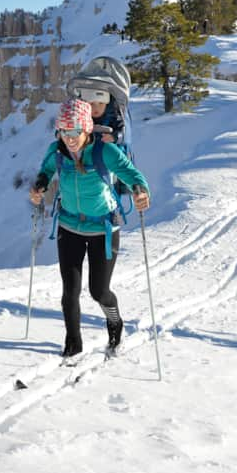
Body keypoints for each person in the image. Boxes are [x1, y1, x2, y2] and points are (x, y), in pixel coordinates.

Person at [29, 99, 150, 358]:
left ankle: (115, 322)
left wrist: (141, 192)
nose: (70, 138)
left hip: (103, 230)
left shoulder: (104, 152)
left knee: (99, 291)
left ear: (87, 130)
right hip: (69, 226)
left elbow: (133, 175)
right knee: (69, 293)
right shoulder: (57, 151)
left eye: (75, 132)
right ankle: (73, 346)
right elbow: (46, 171)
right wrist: (39, 186)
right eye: (64, 132)